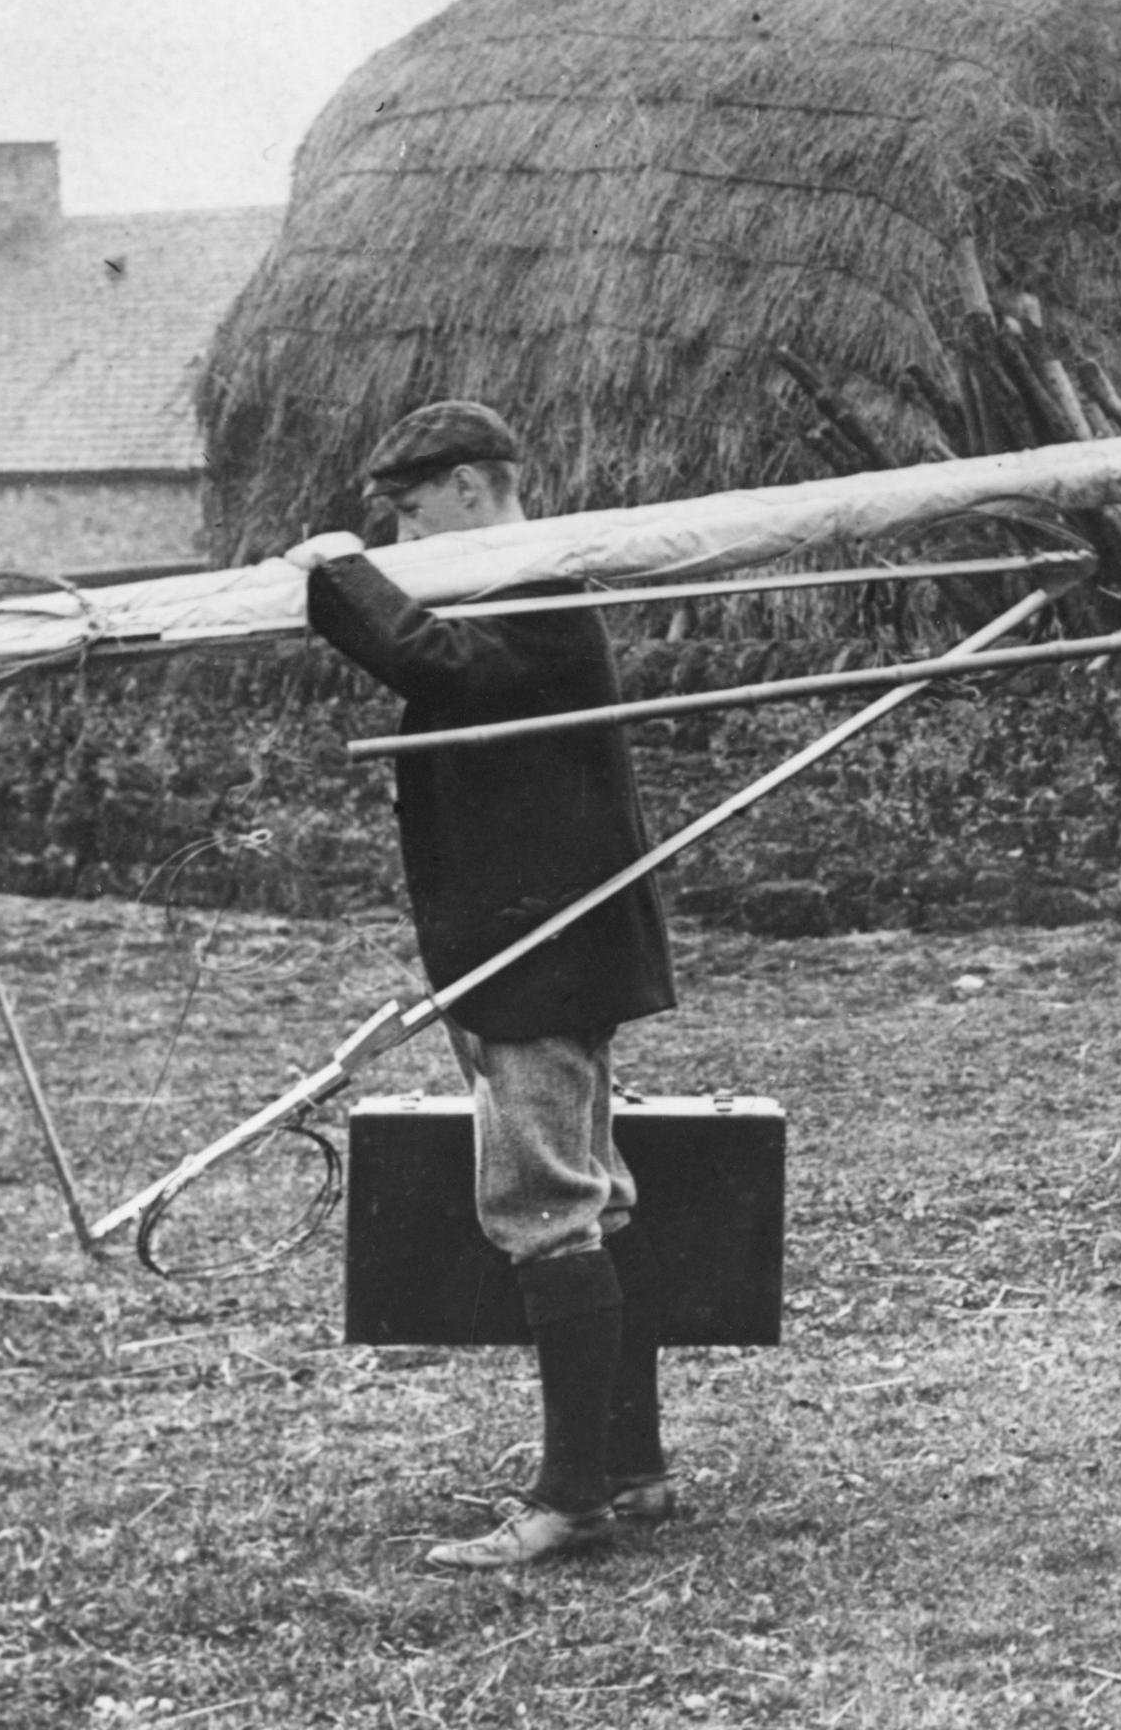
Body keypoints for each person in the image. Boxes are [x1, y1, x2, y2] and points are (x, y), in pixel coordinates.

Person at [281, 400, 681, 1571]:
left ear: (468, 486)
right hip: (540, 945)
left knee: (544, 1206)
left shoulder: (539, 585)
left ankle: (574, 1502)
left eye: (409, 513)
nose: (403, 539)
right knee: (591, 1193)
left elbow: (438, 666)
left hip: (543, 955)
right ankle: (631, 1470)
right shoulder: (512, 584)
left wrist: (341, 574)